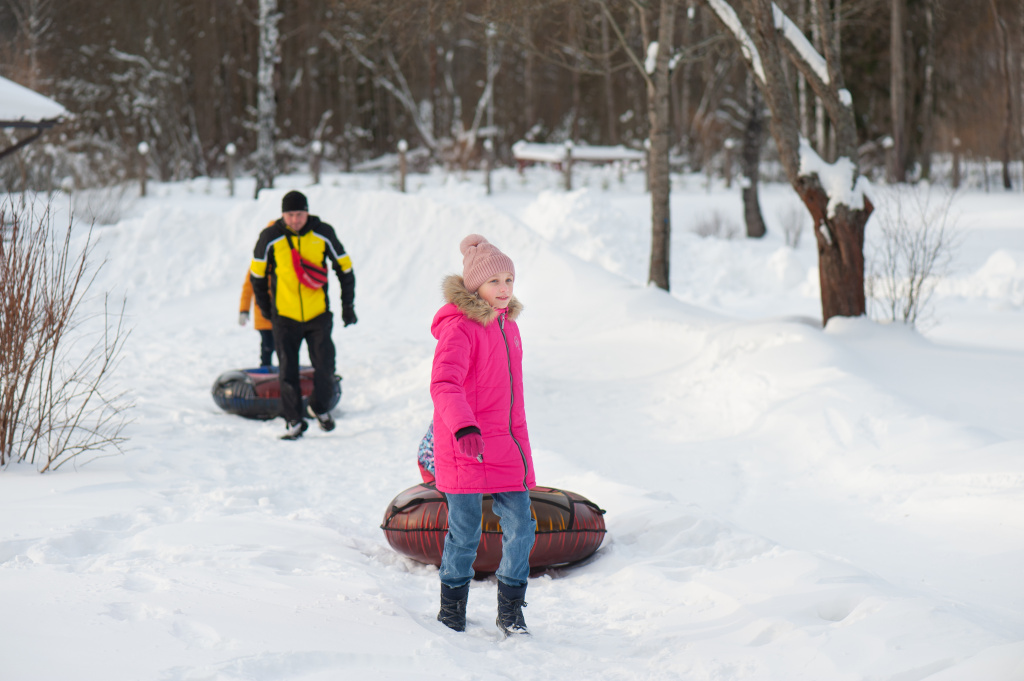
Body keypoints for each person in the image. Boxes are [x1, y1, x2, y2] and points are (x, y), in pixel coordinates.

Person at [429, 234, 536, 637]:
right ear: (475, 286)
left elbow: (511, 398)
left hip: (506, 445)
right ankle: (451, 608)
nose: (504, 289)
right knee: (466, 532)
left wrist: (520, 443)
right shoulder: (460, 328)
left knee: (522, 527)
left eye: (509, 279)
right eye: (495, 282)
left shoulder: (510, 327)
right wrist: (464, 426)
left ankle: (510, 610)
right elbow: (444, 384)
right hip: (466, 444)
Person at [249, 190, 357, 440]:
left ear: (307, 212)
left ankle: (319, 406)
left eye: (299, 214)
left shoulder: (323, 233)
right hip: (284, 316)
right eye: (290, 215)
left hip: (317, 314)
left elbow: (345, 269)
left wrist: (347, 306)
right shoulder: (270, 237)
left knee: (325, 366)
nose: (295, 220)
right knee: (287, 370)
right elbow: (256, 275)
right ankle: (294, 421)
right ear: (282, 214)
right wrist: (266, 309)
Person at [238, 270, 275, 368]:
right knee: (268, 345)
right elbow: (247, 290)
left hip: (282, 316)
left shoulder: (280, 262)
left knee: (283, 346)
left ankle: (285, 370)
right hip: (262, 316)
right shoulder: (256, 265)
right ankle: (266, 368)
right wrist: (244, 310)